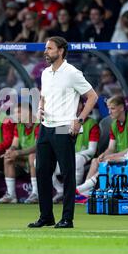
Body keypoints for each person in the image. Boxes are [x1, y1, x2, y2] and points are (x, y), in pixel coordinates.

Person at [29, 36, 97, 229]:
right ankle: (46, 216)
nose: (46, 51)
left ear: (61, 51)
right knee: (41, 171)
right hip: (46, 126)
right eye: (45, 48)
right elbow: (43, 96)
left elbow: (92, 96)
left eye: (50, 48)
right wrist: (40, 108)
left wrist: (80, 119)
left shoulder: (72, 73)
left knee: (67, 174)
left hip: (63, 126)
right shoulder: (45, 73)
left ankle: (67, 218)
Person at [76, 95, 128, 197]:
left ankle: (81, 188)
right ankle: (86, 193)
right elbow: (111, 148)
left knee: (109, 161)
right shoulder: (114, 124)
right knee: (95, 161)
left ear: (122, 108)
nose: (109, 112)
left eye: (113, 108)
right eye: (108, 109)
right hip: (123, 156)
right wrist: (103, 154)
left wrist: (112, 156)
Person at [52, 98, 100, 203]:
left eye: (75, 104)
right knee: (42, 161)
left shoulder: (91, 124)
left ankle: (74, 191)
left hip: (85, 156)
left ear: (81, 105)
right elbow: (57, 141)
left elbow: (92, 150)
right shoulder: (65, 123)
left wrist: (71, 154)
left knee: (76, 159)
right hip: (67, 155)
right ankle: (60, 191)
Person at [0, 102, 40, 204]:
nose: (16, 115)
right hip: (24, 158)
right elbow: (14, 144)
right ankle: (11, 195)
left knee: (32, 156)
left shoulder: (38, 124)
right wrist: (11, 150)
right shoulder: (18, 126)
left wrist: (18, 153)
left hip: (41, 159)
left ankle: (36, 193)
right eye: (15, 113)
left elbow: (38, 147)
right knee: (8, 157)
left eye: (19, 112)